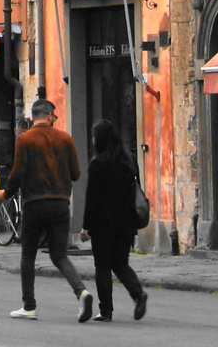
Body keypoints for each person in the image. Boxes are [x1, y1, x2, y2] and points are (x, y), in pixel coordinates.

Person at [0, 98, 95, 324]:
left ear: (34, 117)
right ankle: (82, 292)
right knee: (59, 255)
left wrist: (7, 193)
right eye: (55, 116)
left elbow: (18, 172)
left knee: (28, 254)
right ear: (49, 116)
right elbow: (76, 174)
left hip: (35, 204)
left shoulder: (25, 139)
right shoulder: (65, 139)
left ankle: (29, 306)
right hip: (61, 204)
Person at [80, 119, 148, 322]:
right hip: (126, 221)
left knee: (102, 266)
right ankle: (138, 294)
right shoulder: (130, 160)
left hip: (103, 223)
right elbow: (134, 191)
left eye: (94, 137)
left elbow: (92, 198)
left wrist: (86, 226)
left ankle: (106, 311)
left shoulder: (97, 164)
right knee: (121, 264)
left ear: (99, 139)